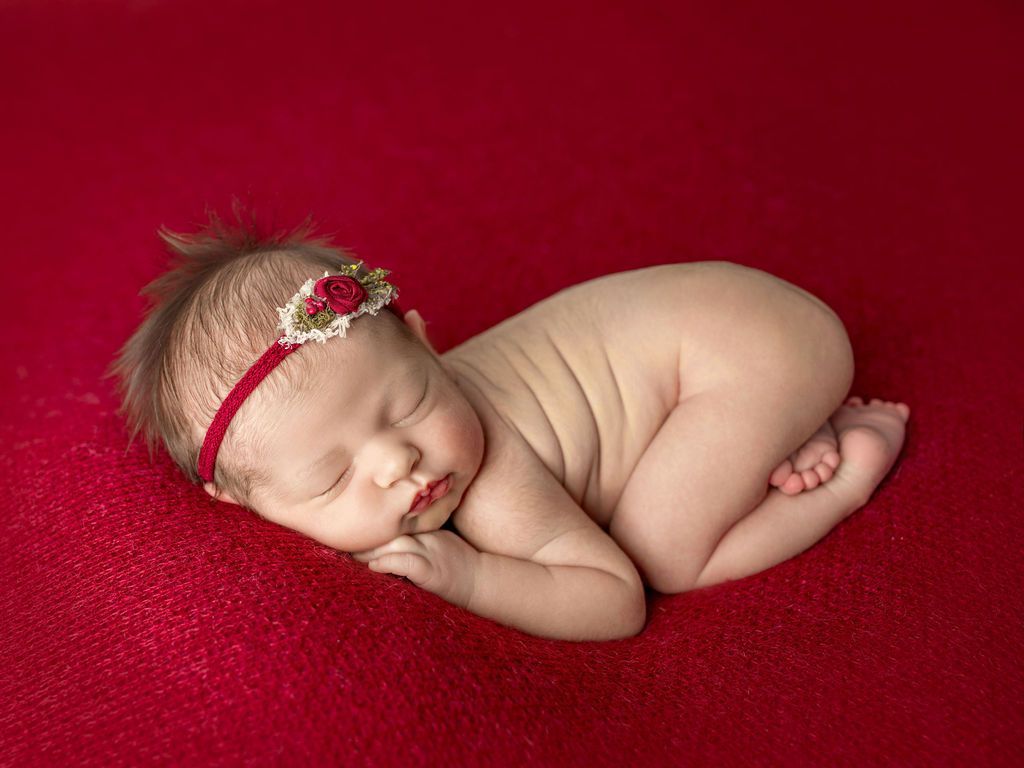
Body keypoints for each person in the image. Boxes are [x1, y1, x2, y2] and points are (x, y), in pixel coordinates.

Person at [109, 209, 909, 642]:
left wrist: (472, 577)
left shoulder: (489, 484)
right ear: (240, 502)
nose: (399, 459)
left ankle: (849, 467)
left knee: (663, 550)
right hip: (731, 325)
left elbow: (614, 599)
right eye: (330, 477)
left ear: (428, 344)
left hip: (752, 352)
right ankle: (778, 426)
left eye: (411, 403)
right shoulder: (410, 418)